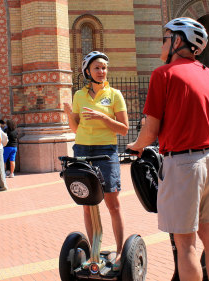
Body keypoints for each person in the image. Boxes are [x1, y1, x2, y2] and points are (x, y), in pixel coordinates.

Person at [126, 18, 209, 281]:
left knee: (186, 245)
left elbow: (150, 131)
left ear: (178, 41)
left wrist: (136, 146)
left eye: (166, 37)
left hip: (184, 164)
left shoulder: (163, 74)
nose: (162, 43)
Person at [64, 51, 129, 270]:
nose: (102, 71)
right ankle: (94, 252)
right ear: (87, 72)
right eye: (97, 68)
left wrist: (103, 117)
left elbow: (124, 128)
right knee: (87, 202)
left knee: (113, 202)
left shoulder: (114, 95)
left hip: (105, 151)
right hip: (82, 149)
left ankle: (120, 251)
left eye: (104, 68)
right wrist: (68, 115)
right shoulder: (79, 96)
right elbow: (76, 128)